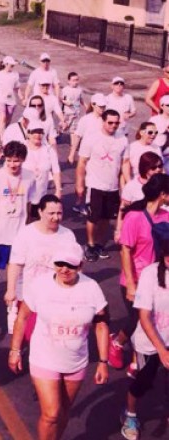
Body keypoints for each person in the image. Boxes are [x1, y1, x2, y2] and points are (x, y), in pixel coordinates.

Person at [8, 243, 109, 440]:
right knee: (51, 412)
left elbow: (101, 325)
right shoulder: (40, 285)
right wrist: (15, 350)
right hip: (43, 357)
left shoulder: (92, 288)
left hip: (76, 361)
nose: (64, 269)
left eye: (70, 265)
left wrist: (103, 362)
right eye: (59, 264)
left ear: (80, 266)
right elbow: (22, 317)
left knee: (63, 412)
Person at [111, 174, 169, 374]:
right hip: (135, 279)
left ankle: (138, 361)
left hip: (158, 278)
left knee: (152, 318)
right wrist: (131, 284)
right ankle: (118, 344)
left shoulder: (166, 216)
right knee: (137, 319)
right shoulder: (134, 217)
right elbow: (125, 250)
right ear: (163, 194)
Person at [119, 235, 169, 440]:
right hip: (149, 343)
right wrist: (162, 350)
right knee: (143, 382)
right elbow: (144, 317)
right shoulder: (150, 275)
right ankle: (129, 415)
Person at [4, 195, 77, 336]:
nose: (56, 217)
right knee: (30, 334)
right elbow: (15, 263)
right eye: (51, 213)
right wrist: (10, 290)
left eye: (59, 213)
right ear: (40, 212)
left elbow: (75, 267)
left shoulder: (68, 235)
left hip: (56, 297)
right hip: (28, 296)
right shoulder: (26, 234)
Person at [0, 142, 36, 308]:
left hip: (19, 236)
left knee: (15, 271)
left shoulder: (30, 177)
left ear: (23, 159)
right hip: (0, 235)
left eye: (16, 161)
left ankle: (13, 307)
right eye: (9, 160)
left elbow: (29, 204)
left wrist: (30, 229)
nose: (12, 164)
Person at [76, 109, 130, 262]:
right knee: (94, 217)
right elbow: (82, 163)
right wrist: (80, 184)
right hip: (94, 184)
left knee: (106, 218)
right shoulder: (91, 138)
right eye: (110, 123)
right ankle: (90, 245)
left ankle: (100, 244)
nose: (114, 126)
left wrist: (127, 184)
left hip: (112, 186)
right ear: (103, 122)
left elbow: (125, 163)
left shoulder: (123, 139)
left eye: (116, 123)